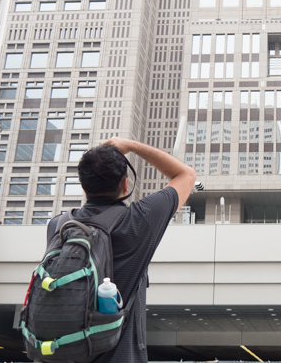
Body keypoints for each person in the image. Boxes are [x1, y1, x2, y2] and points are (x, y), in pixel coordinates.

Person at [47, 137, 196, 363]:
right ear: (126, 184)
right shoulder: (138, 221)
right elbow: (186, 175)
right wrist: (132, 145)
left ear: (83, 185)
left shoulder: (58, 226)